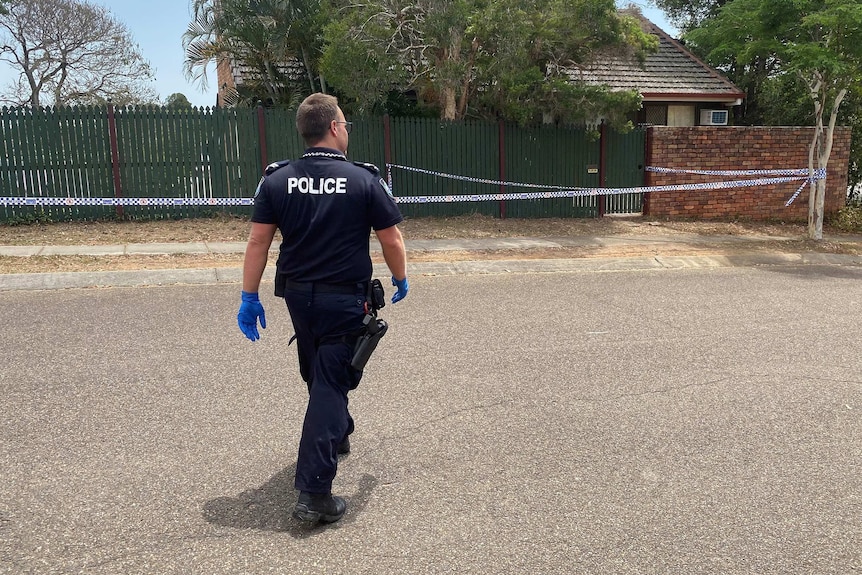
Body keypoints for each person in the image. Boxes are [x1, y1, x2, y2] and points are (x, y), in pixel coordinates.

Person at [236, 93, 408, 524]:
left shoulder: (277, 180)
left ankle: (338, 431)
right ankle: (314, 493)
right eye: (345, 124)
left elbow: (258, 241)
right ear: (333, 127)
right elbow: (391, 239)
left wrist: (248, 295)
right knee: (331, 381)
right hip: (343, 297)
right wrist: (401, 278)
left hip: (298, 297)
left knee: (316, 369)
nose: (347, 130)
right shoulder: (364, 179)